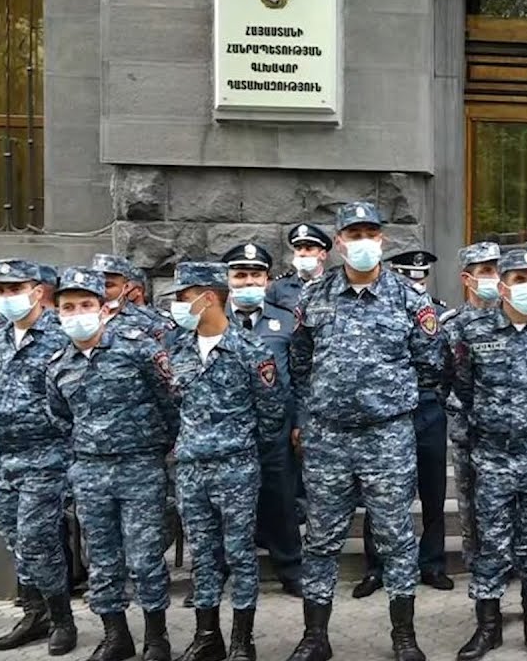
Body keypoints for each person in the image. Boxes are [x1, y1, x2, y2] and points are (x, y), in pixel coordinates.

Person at [287, 201, 441, 661]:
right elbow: (300, 363)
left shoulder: (410, 299)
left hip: (387, 438)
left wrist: (389, 402)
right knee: (321, 539)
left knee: (396, 537)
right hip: (329, 438)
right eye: (353, 235)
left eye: (369, 234)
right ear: (338, 243)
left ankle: (404, 635)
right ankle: (315, 637)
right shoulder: (314, 297)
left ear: (382, 239)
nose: (362, 242)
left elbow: (430, 365)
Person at [47, 266, 177, 661]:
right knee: (101, 559)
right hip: (90, 472)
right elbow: (61, 418)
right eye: (69, 307)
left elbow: (170, 402)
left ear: (104, 309)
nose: (78, 313)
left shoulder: (139, 349)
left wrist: (156, 449)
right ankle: (116, 636)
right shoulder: (58, 364)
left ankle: (156, 638)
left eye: (86, 304)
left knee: (145, 556)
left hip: (140, 468)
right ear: (57, 313)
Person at [166, 262, 286, 661]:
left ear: (208, 298)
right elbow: (171, 407)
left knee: (239, 554)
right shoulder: (176, 350)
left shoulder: (251, 350)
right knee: (202, 555)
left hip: (235, 468)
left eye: (183, 297)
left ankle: (241, 640)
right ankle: (207, 636)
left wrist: (241, 446)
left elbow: (272, 412)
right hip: (191, 470)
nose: (178, 306)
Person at [454, 248, 527, 661]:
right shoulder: (474, 332)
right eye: (520, 280)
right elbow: (462, 386)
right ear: (501, 286)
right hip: (493, 455)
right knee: (491, 543)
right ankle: (488, 625)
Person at [353, 249, 454, 598]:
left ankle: (432, 563)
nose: (416, 284)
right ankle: (376, 567)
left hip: (427, 409)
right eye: (408, 278)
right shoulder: (376, 311)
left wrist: (437, 398)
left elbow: (445, 366)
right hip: (388, 413)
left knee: (433, 492)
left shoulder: (438, 312)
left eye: (421, 278)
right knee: (381, 492)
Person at [0, 259, 76, 655]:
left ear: (37, 291)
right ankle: (34, 613)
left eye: (15, 289)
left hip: (45, 458)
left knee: (38, 538)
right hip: (0, 459)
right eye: (1, 290)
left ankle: (61, 619)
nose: (7, 296)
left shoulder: (61, 335)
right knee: (17, 539)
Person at [222, 242, 305, 597]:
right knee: (224, 506)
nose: (248, 282)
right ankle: (218, 572)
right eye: (240, 275)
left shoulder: (285, 320)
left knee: (281, 500)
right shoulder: (213, 320)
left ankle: (291, 569)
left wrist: (300, 421)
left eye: (255, 275)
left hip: (275, 430)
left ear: (267, 280)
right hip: (225, 430)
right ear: (227, 279)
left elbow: (300, 376)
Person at [437, 241, 502, 611]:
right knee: (473, 514)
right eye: (486, 271)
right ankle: (483, 592)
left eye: (497, 270)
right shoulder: (452, 326)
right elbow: (441, 379)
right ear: (467, 278)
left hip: (510, 438)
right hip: (470, 436)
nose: (494, 277)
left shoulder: (516, 320)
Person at [92, 253, 174, 343]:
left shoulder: (148, 321)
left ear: (126, 287)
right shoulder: (83, 317)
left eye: (108, 285)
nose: (100, 289)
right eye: (96, 284)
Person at [267, 223, 333, 311]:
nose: (302, 253)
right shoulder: (279, 287)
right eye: (298, 249)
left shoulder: (334, 285)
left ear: (323, 255)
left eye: (308, 249)